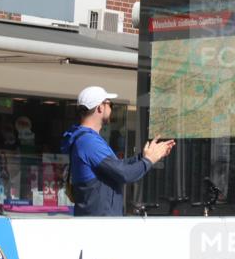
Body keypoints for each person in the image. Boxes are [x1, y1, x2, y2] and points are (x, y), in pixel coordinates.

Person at [62, 86, 175, 216]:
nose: (111, 108)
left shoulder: (87, 139)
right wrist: (149, 160)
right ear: (100, 108)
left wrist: (142, 157)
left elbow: (117, 167)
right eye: (110, 104)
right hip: (99, 226)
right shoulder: (88, 142)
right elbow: (124, 174)